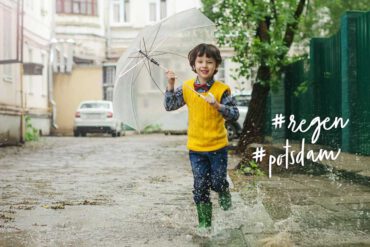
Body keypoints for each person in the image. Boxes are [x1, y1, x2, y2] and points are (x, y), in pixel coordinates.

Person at [164, 43, 239, 230]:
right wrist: (171, 85)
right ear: (193, 64)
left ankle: (225, 197)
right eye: (200, 61)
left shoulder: (222, 89)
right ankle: (205, 225)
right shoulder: (188, 87)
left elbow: (235, 113)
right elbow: (170, 105)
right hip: (196, 149)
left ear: (216, 66)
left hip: (218, 147)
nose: (204, 65)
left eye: (209, 62)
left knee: (217, 182)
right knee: (200, 187)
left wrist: (218, 106)